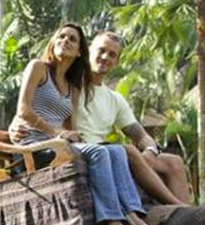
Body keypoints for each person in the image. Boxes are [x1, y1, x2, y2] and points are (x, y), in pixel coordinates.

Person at [9, 23, 154, 225]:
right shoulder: (38, 68)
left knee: (114, 150)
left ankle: (131, 212)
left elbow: (70, 126)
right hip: (34, 145)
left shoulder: (71, 87)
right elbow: (23, 111)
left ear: (79, 52)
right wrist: (56, 133)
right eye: (62, 36)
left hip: (57, 145)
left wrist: (72, 136)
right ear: (53, 42)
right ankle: (111, 222)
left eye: (72, 39)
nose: (65, 41)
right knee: (98, 152)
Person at [76, 31, 191, 205]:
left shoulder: (115, 99)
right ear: (89, 51)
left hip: (110, 154)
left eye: (112, 54)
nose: (105, 57)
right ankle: (177, 206)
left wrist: (150, 152)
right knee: (128, 151)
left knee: (174, 162)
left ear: (117, 62)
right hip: (86, 151)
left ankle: (189, 218)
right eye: (101, 50)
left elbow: (141, 135)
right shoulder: (71, 86)